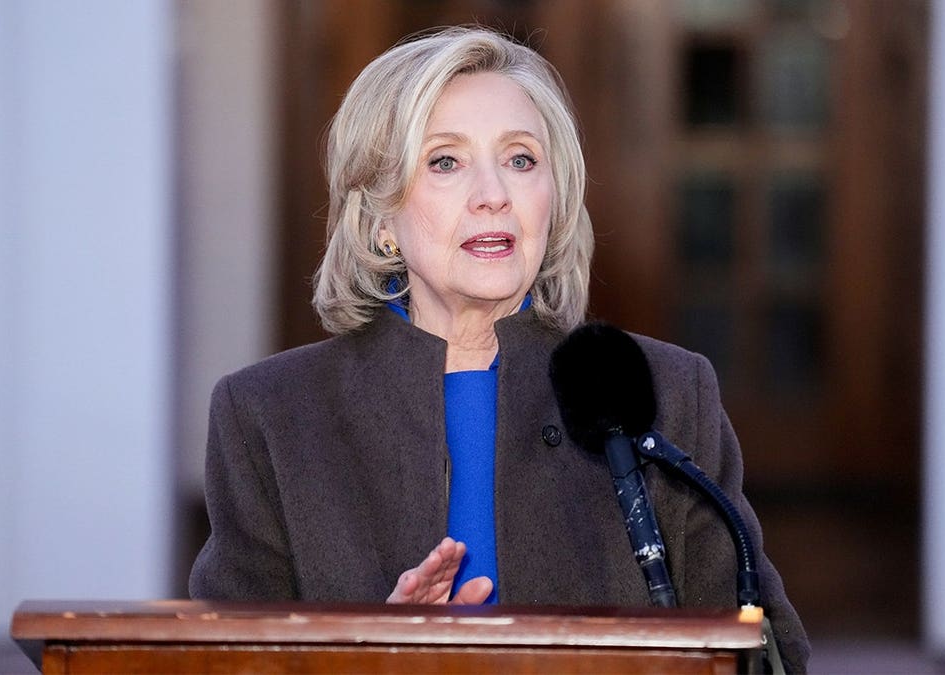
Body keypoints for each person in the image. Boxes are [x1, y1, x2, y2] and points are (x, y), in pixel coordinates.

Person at [189, 25, 810, 671]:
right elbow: (225, 662)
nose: (494, 194)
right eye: (446, 162)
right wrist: (365, 655)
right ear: (378, 219)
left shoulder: (665, 389)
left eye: (520, 159)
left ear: (555, 197)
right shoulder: (271, 412)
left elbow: (765, 654)